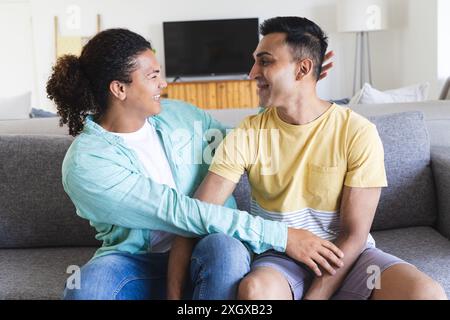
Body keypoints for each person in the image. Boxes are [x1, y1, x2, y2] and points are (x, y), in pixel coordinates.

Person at [46, 28, 343, 300]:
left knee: (224, 249)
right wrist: (282, 236)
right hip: (136, 261)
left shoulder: (182, 117)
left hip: (206, 249)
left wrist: (296, 86)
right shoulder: (87, 162)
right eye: (152, 76)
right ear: (119, 89)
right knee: (86, 287)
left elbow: (250, 144)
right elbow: (177, 212)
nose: (163, 83)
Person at [168, 17, 447, 300]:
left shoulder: (357, 132)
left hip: (349, 261)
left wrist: (316, 296)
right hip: (280, 261)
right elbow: (198, 215)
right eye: (255, 62)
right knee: (255, 291)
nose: (252, 73)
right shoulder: (248, 133)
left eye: (265, 62)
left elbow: (353, 235)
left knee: (426, 293)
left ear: (303, 69)